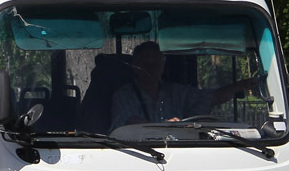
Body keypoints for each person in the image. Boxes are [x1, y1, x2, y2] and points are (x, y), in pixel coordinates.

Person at [109, 42, 258, 130]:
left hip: (177, 152)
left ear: (163, 65)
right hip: (138, 155)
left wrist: (240, 85)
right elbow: (129, 124)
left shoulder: (176, 92)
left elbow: (210, 98)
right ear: (135, 66)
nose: (151, 68)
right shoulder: (124, 95)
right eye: (146, 63)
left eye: (156, 63)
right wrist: (164, 126)